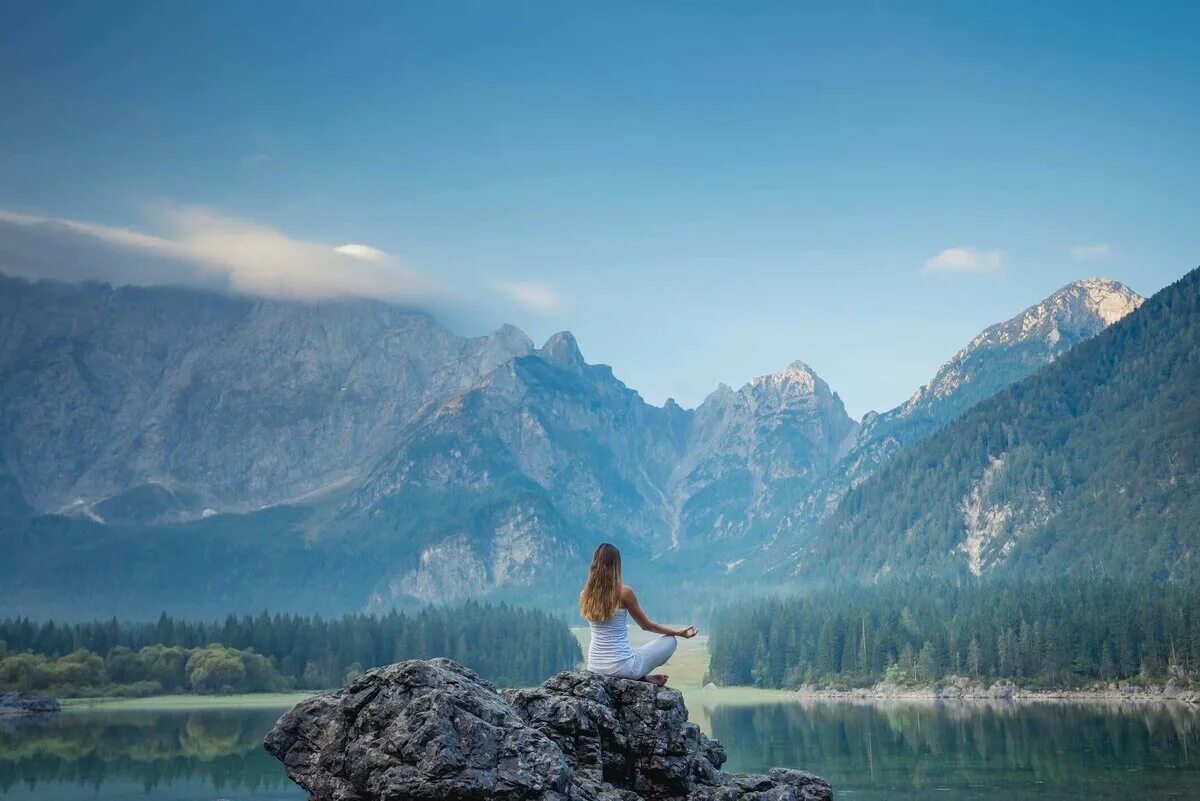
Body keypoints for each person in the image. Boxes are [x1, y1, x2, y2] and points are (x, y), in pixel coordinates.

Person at [578, 542, 698, 686]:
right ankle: (639, 677)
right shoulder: (624, 593)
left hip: (595, 666)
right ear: (616, 566)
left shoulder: (585, 595)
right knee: (670, 641)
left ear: (594, 564)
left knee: (632, 652)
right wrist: (678, 632)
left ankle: (643, 678)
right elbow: (646, 626)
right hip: (623, 668)